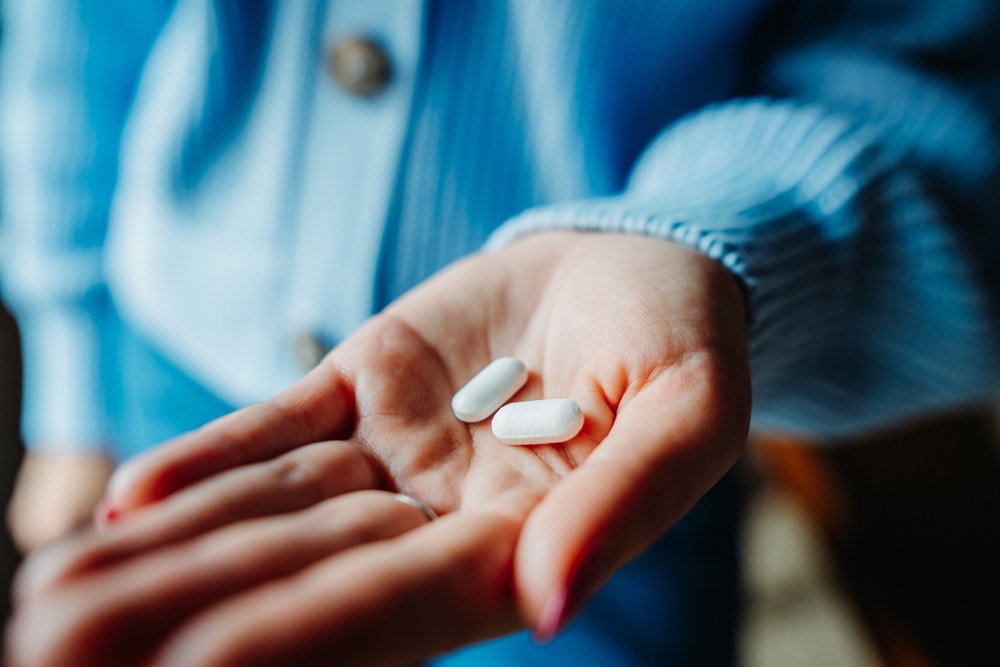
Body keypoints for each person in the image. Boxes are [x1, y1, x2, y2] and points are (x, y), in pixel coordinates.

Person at [3, 0, 1000, 665]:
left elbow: (934, 65)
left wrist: (720, 234)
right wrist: (72, 372)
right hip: (176, 349)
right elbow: (76, 36)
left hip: (604, 461)